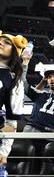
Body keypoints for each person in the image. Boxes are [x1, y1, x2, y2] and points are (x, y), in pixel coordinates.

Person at [0, 31, 27, 166]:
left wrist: (3, 152)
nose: (1, 43)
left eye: (7, 43)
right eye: (0, 40)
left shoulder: (14, 81)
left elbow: (11, 124)